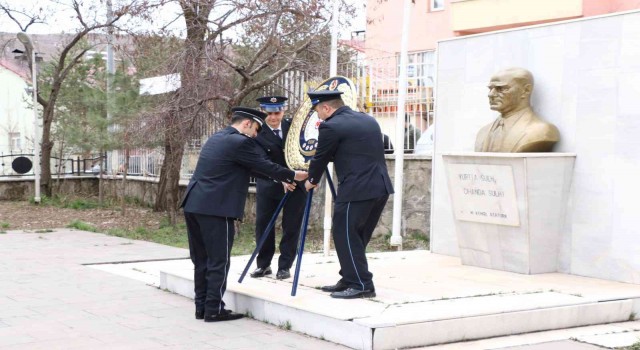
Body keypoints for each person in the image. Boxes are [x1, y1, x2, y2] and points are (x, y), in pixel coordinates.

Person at [180, 107, 308, 322]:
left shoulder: (218, 138)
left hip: (194, 204)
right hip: (216, 209)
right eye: (256, 129)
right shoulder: (241, 142)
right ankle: (214, 310)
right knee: (219, 260)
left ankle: (202, 306)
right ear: (247, 124)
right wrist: (293, 174)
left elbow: (249, 168)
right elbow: (262, 164)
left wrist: (281, 179)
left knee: (201, 260)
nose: (257, 135)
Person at [304, 89, 394, 299]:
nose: (318, 116)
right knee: (357, 237)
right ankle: (349, 277)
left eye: (318, 111)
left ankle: (361, 284)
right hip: (380, 187)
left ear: (326, 108)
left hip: (356, 189)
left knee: (344, 234)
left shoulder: (331, 126)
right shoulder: (367, 120)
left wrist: (311, 180)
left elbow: (320, 157)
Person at [250, 96, 306, 280]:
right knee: (264, 226)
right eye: (269, 113)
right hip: (269, 184)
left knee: (291, 226)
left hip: (295, 186)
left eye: (277, 113)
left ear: (283, 111)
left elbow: (305, 153)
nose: (273, 117)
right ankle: (263, 265)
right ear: (263, 112)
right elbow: (260, 162)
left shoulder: (294, 129)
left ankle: (285, 266)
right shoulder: (257, 132)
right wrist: (281, 178)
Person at [475, 67, 560, 152]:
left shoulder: (542, 131)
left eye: (501, 89)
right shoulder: (483, 132)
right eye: (490, 89)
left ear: (526, 90)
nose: (491, 94)